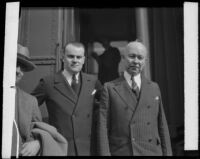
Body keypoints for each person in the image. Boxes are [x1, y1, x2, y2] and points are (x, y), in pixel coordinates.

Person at [97, 41, 172, 156]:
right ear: (123, 58)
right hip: (122, 151)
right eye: (132, 56)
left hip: (151, 152)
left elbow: (162, 125)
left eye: (140, 58)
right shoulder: (109, 88)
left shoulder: (154, 87)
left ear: (145, 61)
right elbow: (103, 127)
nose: (136, 61)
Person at [31, 42, 102, 156]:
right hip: (61, 147)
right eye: (71, 56)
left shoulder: (93, 82)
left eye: (79, 57)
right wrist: (39, 133)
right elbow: (27, 107)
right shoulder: (48, 83)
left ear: (83, 60)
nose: (75, 60)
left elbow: (106, 108)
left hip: (88, 149)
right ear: (63, 58)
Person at [11, 44, 68, 157]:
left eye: (22, 67)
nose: (18, 71)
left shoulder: (30, 101)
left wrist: (38, 143)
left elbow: (38, 131)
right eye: (14, 63)